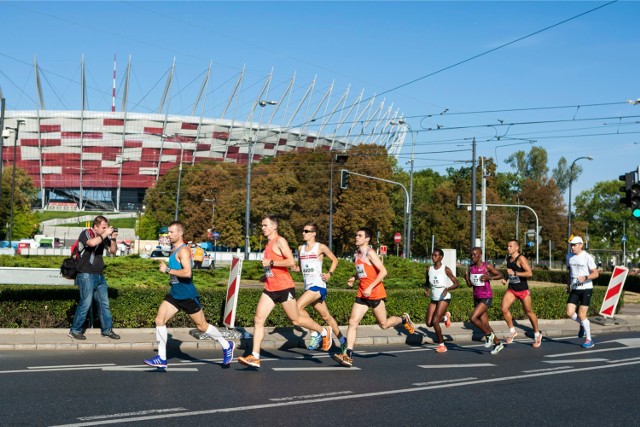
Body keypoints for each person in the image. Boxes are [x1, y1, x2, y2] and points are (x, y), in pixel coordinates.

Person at [238, 215, 333, 369]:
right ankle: (255, 356)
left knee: (295, 320)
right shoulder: (268, 244)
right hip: (270, 287)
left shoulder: (280, 241)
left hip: (284, 287)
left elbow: (290, 262)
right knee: (258, 319)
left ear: (274, 227)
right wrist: (266, 274)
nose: (262, 228)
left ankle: (323, 330)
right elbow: (274, 267)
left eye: (265, 225)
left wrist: (272, 262)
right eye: (262, 225)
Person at [144, 221, 234, 368]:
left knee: (202, 326)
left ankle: (226, 345)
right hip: (174, 294)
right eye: (168, 232)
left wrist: (167, 270)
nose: (169, 235)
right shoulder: (173, 250)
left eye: (172, 232)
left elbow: (187, 273)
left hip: (187, 295)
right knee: (159, 320)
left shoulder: (183, 250)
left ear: (180, 233)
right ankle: (161, 358)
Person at [333, 227, 415, 368]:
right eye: (356, 235)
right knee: (353, 322)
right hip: (362, 293)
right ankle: (348, 355)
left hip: (375, 293)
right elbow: (363, 271)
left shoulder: (370, 253)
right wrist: (354, 277)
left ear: (367, 239)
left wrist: (370, 287)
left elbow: (383, 272)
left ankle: (403, 319)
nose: (356, 237)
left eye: (359, 235)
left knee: (383, 324)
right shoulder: (357, 254)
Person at [291, 222, 346, 352]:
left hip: (318, 285)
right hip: (308, 286)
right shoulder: (300, 249)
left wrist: (329, 274)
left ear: (314, 233)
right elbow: (300, 267)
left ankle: (316, 332)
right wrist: (295, 268)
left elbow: (335, 260)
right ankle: (343, 340)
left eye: (306, 231)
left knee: (296, 307)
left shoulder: (320, 247)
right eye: (303, 231)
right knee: (326, 316)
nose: (303, 233)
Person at [68, 215, 121, 340]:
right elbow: (91, 243)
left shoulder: (103, 236)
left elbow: (112, 251)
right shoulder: (86, 233)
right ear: (95, 227)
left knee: (104, 304)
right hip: (86, 274)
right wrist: (104, 235)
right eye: (103, 227)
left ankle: (107, 330)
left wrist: (112, 239)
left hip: (99, 275)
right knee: (85, 303)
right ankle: (75, 330)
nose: (106, 229)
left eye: (107, 227)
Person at [500, 240, 542, 348]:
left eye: (510, 246)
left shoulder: (521, 258)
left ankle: (537, 334)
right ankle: (512, 331)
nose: (508, 248)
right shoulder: (509, 259)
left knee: (528, 312)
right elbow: (509, 272)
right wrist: (506, 279)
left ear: (516, 248)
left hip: (523, 290)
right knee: (504, 309)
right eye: (507, 246)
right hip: (512, 290)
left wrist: (515, 273)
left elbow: (529, 273)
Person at [466, 247, 505, 355]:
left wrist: (490, 277)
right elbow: (470, 285)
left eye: (475, 254)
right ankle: (498, 343)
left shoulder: (486, 266)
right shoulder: (471, 268)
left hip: (486, 297)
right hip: (476, 297)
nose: (473, 257)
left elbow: (501, 275)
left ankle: (489, 335)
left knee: (473, 318)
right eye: (471, 255)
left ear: (480, 255)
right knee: (485, 325)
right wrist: (467, 279)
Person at [566, 236, 599, 349]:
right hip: (575, 288)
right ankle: (582, 323)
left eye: (575, 245)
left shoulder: (587, 257)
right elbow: (569, 271)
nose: (573, 247)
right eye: (571, 245)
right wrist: (567, 285)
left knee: (581, 314)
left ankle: (589, 340)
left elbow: (596, 273)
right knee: (569, 312)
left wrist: (585, 277)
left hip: (586, 289)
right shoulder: (569, 256)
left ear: (581, 245)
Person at [424, 248, 459, 353]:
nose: (433, 257)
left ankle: (442, 345)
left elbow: (456, 284)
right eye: (432, 255)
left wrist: (447, 289)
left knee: (435, 321)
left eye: (436, 255)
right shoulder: (429, 269)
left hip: (444, 297)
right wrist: (426, 290)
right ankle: (445, 317)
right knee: (429, 323)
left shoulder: (445, 269)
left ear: (441, 257)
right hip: (434, 297)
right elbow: (427, 283)